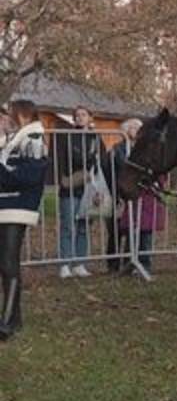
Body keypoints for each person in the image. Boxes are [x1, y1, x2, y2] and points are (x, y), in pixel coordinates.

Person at [0, 100, 49, 339]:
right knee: (5, 263)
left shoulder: (34, 139)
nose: (7, 118)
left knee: (8, 263)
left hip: (18, 206)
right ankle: (14, 318)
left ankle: (8, 321)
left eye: (10, 114)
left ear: (22, 115)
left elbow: (29, 176)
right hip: (6, 205)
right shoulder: (14, 139)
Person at [54, 106, 101, 278]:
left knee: (84, 227)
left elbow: (100, 160)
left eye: (84, 114)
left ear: (90, 117)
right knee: (68, 225)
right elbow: (65, 159)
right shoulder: (67, 136)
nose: (80, 117)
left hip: (89, 188)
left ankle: (80, 263)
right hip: (70, 186)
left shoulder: (96, 138)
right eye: (77, 115)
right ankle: (65, 264)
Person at [102, 118, 141, 272]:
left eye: (138, 127)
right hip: (118, 193)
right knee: (115, 230)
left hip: (135, 193)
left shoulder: (141, 149)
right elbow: (112, 170)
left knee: (133, 228)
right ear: (126, 130)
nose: (136, 130)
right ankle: (113, 263)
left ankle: (129, 261)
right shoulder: (117, 149)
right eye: (133, 127)